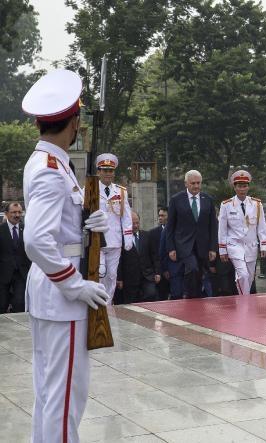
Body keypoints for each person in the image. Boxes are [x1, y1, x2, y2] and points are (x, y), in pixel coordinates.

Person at [21, 69, 110, 442]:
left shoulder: (52, 164)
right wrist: (74, 285)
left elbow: (60, 229)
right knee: (65, 398)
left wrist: (91, 222)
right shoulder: (51, 171)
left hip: (51, 295)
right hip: (62, 297)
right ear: (75, 123)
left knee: (50, 393)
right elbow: (37, 240)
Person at [166, 170, 218, 298]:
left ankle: (195, 298)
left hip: (202, 245)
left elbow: (213, 226)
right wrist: (171, 248)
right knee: (193, 268)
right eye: (193, 183)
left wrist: (213, 248)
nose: (196, 186)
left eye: (198, 183)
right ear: (186, 183)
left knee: (199, 272)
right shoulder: (176, 200)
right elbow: (170, 226)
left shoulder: (208, 200)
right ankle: (191, 297)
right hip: (183, 244)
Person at [218, 170, 266, 295]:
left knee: (250, 278)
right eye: (239, 186)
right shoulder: (226, 205)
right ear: (234, 187)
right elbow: (222, 230)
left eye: (245, 186)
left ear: (248, 187)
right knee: (243, 275)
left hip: (251, 246)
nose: (242, 189)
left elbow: (261, 227)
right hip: (234, 245)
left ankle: (243, 299)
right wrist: (222, 249)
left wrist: (264, 245)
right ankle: (244, 302)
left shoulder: (257, 204)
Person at [96, 152, 133, 303]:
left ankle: (108, 303)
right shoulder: (89, 190)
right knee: (100, 272)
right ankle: (97, 303)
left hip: (114, 239)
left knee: (112, 275)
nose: (108, 174)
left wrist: (128, 237)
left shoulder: (120, 191)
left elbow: (126, 216)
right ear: (99, 171)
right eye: (105, 170)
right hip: (97, 240)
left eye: (110, 171)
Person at [116, 211, 158, 303]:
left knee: (151, 294)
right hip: (129, 279)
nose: (135, 226)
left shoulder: (147, 236)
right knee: (131, 303)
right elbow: (119, 260)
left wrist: (157, 272)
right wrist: (119, 278)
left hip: (147, 276)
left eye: (137, 223)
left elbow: (154, 255)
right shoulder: (121, 239)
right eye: (132, 223)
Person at [0, 202, 31, 313]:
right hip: (3, 275)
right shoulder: (1, 230)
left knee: (19, 303)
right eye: (13, 212)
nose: (17, 215)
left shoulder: (27, 230)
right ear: (6, 214)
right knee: (2, 304)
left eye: (19, 212)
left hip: (21, 274)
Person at [148, 206, 170, 300]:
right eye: (159, 215)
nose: (160, 218)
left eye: (163, 216)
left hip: (175, 270)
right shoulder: (152, 233)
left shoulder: (177, 231)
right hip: (160, 272)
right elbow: (153, 254)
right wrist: (160, 271)